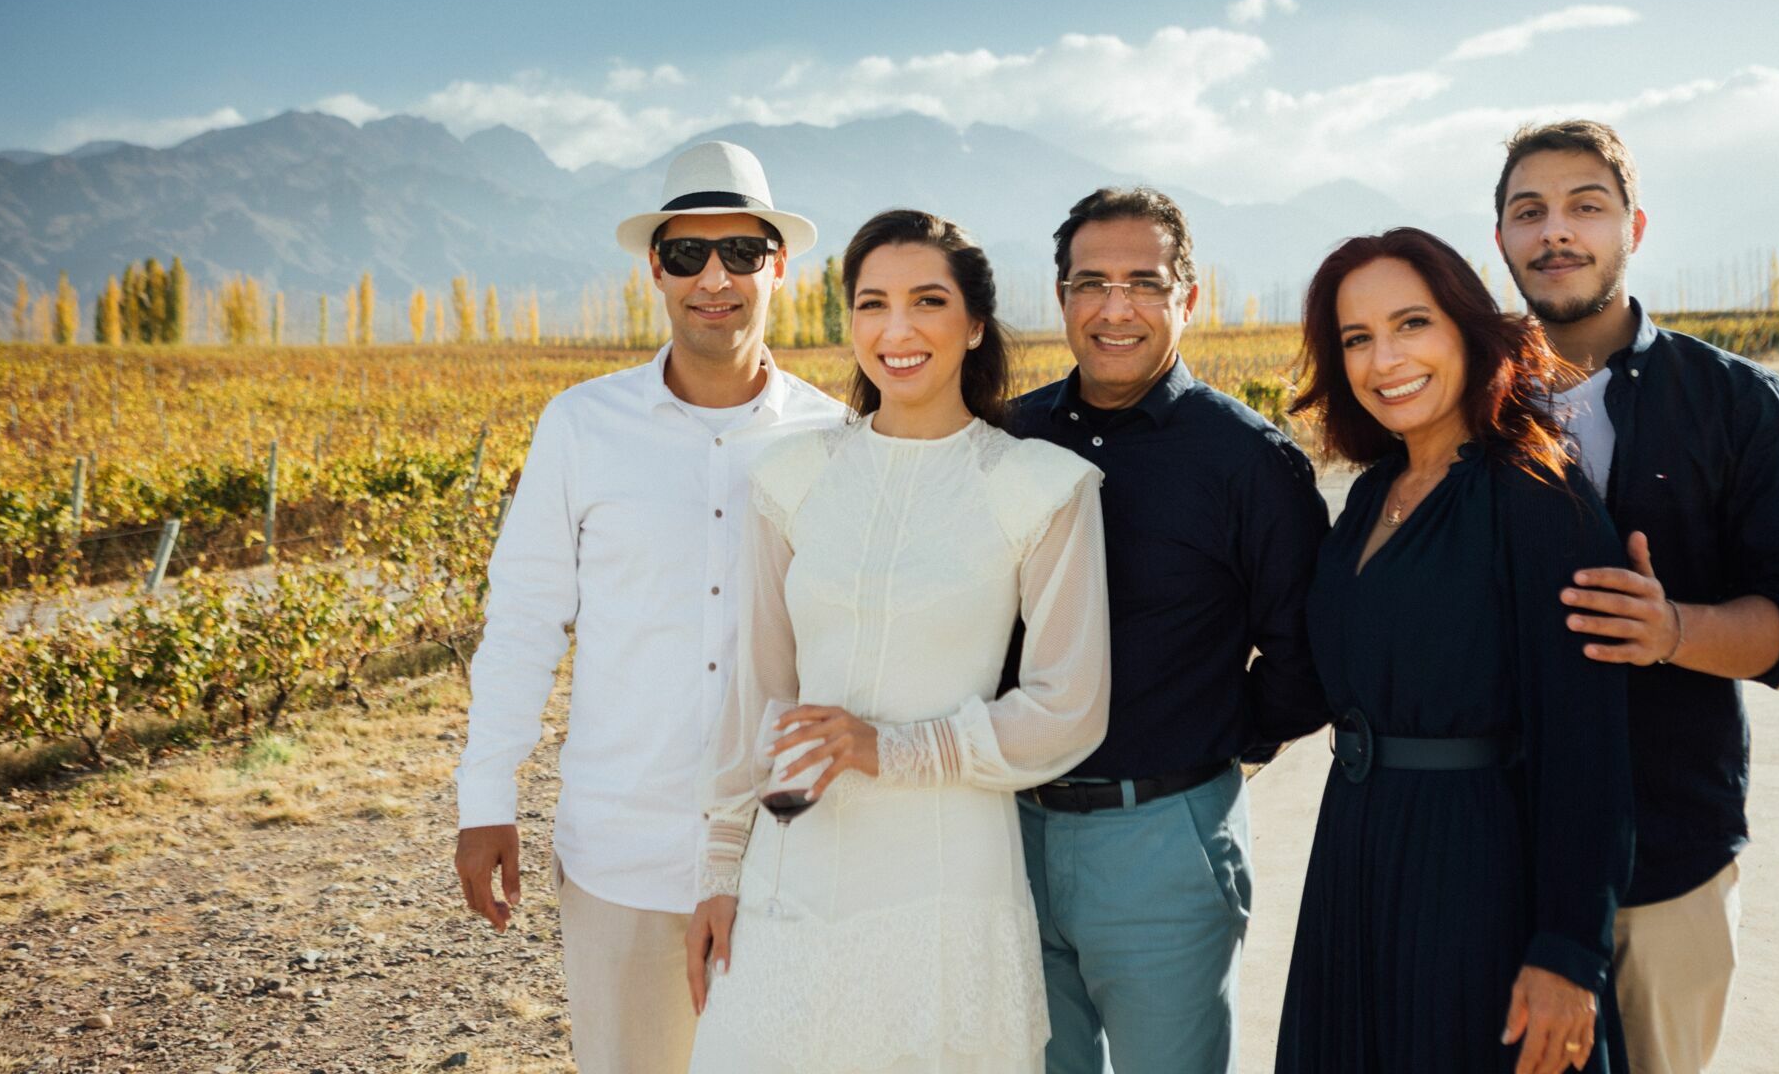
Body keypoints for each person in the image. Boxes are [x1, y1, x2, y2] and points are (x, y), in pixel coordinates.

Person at [683, 209, 1113, 1073]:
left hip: (949, 877)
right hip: (792, 872)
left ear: (975, 324)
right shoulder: (793, 481)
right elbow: (758, 694)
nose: (898, 329)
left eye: (927, 301)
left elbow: (1070, 706)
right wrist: (720, 872)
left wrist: (891, 749)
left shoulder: (1039, 488)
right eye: (872, 304)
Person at [450, 140, 846, 1074]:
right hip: (620, 850)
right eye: (687, 255)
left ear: (779, 267)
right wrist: (485, 798)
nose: (716, 278)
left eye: (742, 253)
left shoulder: (837, 439)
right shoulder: (581, 426)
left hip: (788, 850)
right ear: (654, 272)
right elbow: (524, 619)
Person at [1493, 120, 1779, 1074]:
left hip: (1669, 853)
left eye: (1585, 207)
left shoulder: (1735, 402)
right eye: (1530, 212)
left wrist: (1673, 629)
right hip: (1492, 856)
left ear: (1634, 227)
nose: (1556, 232)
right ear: (1503, 242)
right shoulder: (1462, 402)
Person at [1277, 227, 1634, 1074]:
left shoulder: (1537, 495)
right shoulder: (1371, 497)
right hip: (1356, 855)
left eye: (1411, 324)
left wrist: (1567, 950)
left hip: (1476, 872)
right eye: (1356, 339)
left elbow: (1589, 742)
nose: (1384, 358)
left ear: (1469, 331)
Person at [1010, 187, 1329, 1073]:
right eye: (1090, 283)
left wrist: (1215, 745)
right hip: (1007, 840)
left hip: (1165, 840)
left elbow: (1306, 655)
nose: (1116, 309)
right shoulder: (1008, 437)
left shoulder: (1248, 461)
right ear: (1063, 296)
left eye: (1144, 283)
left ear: (1189, 297)